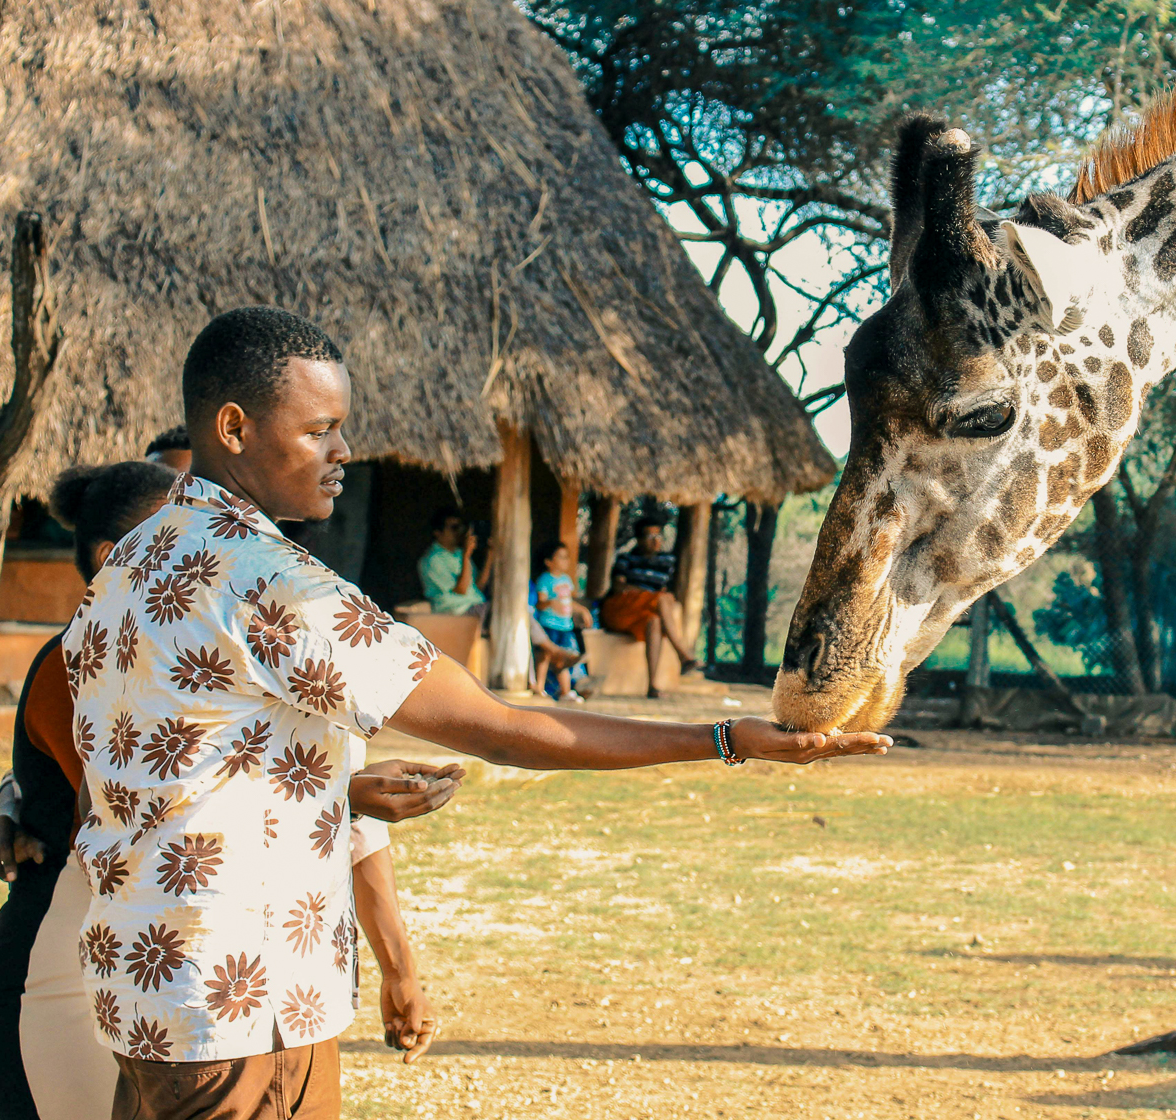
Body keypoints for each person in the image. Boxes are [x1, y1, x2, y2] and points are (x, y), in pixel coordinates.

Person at [63, 307, 889, 1119]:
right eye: (320, 429)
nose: (344, 450)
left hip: (147, 979)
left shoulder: (133, 562)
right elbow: (499, 728)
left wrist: (332, 794)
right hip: (245, 997)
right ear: (235, 427)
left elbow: (179, 767)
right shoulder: (268, 581)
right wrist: (725, 738)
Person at [0, 460, 462, 1120]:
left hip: (183, 981)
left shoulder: (235, 641)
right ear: (115, 556)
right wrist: (339, 793)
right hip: (70, 976)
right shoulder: (91, 658)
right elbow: (155, 804)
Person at [599, 517, 701, 698]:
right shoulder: (626, 559)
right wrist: (648, 595)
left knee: (654, 621)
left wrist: (657, 596)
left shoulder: (667, 561)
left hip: (642, 613)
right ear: (638, 540)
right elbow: (618, 588)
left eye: (658, 535)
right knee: (661, 599)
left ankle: (652, 686)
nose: (655, 540)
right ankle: (683, 654)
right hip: (619, 611)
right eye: (649, 536)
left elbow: (664, 590)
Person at [532, 541, 586, 702]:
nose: (566, 561)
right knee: (546, 655)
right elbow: (540, 604)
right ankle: (539, 688)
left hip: (565, 626)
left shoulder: (566, 580)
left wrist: (583, 610)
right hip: (549, 625)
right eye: (561, 557)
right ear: (548, 562)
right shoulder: (545, 580)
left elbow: (568, 601)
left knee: (563, 659)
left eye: (566, 557)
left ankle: (565, 691)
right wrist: (550, 603)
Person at [418, 506, 489, 616]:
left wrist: (491, 554)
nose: (459, 532)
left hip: (477, 606)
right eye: (454, 528)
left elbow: (478, 586)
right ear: (438, 532)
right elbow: (461, 590)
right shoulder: (432, 559)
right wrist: (466, 556)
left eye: (461, 527)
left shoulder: (459, 553)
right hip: (458, 611)